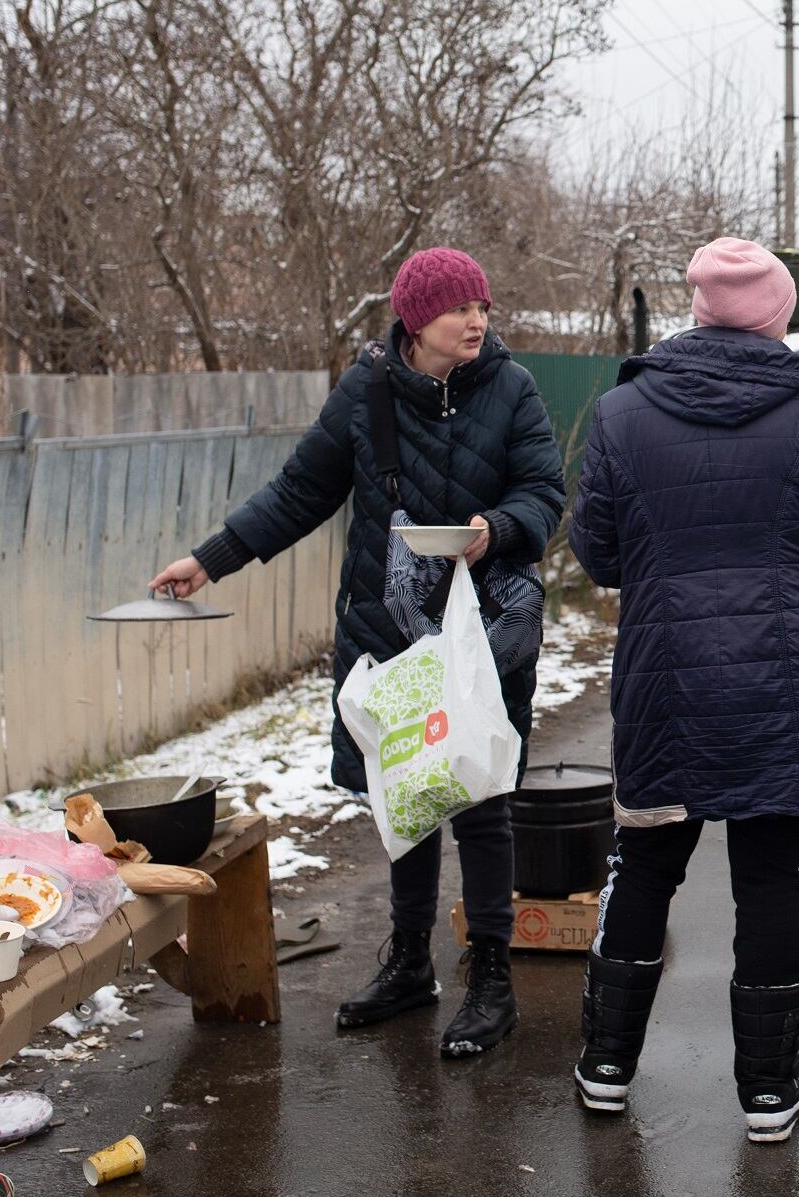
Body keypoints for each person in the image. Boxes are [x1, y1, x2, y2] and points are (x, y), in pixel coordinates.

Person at [149, 247, 564, 1058]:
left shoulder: (512, 389)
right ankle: (410, 963)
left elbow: (544, 494)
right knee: (403, 796)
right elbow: (301, 490)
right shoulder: (366, 389)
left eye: (483, 305)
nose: (477, 320)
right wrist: (212, 558)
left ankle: (491, 979)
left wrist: (498, 528)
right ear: (417, 321)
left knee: (480, 801)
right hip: (388, 629)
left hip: (482, 633)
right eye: (459, 309)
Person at [565, 236, 799, 1143]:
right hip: (788, 674)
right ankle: (768, 1094)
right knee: (771, 871)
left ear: (699, 310)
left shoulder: (625, 408)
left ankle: (606, 1067)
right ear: (778, 314)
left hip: (666, 671)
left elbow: (596, 551)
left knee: (647, 861)